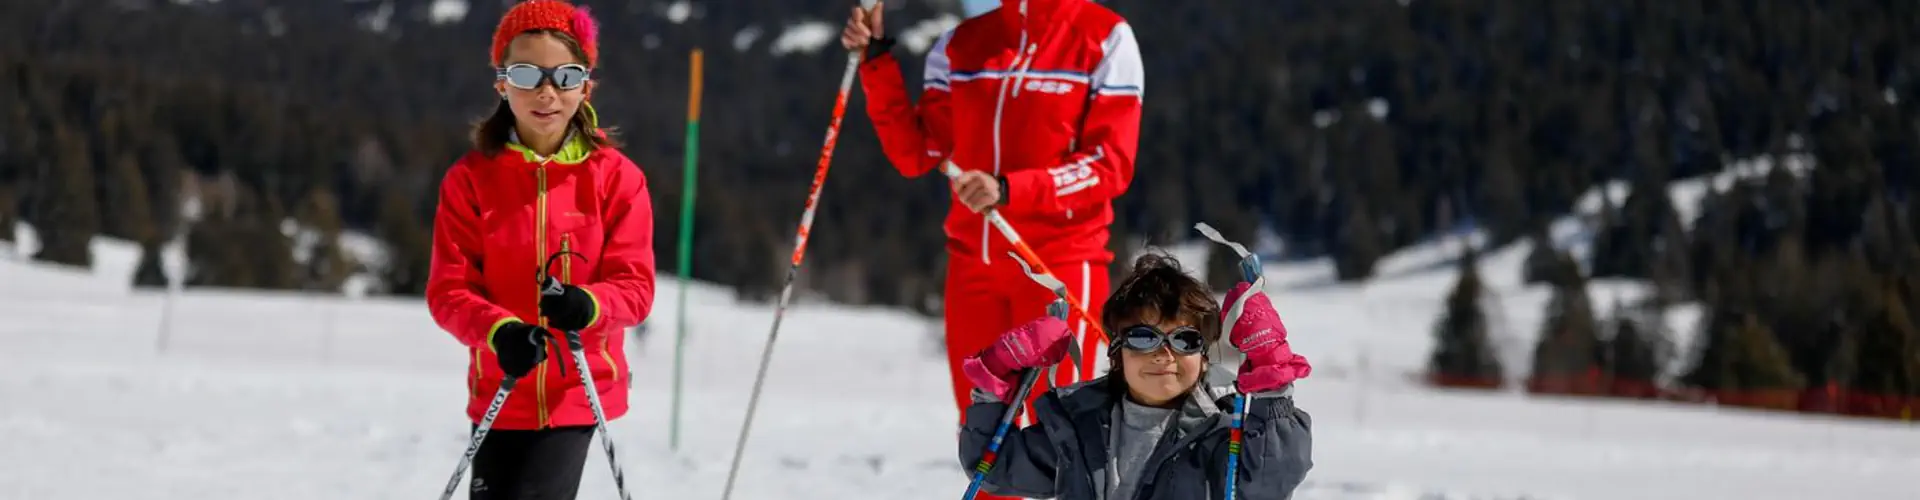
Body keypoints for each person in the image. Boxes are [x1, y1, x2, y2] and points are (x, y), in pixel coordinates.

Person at [839, 0, 1147, 432]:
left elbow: (1108, 165)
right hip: (973, 270)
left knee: (1061, 434)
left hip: (1054, 268)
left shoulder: (1105, 38)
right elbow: (917, 152)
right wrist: (875, 60)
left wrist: (1009, 189)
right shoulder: (960, 45)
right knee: (983, 435)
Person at [425, 1, 657, 498]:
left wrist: (588, 304)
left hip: (577, 386)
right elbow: (449, 291)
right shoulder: (471, 181)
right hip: (501, 384)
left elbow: (635, 289)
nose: (546, 92)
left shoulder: (618, 180)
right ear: (502, 83)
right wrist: (500, 330)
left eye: (565, 76)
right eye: (527, 73)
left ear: (585, 86)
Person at [957, 253, 1314, 499]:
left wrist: (1273, 383)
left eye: (1185, 339)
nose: (1164, 353)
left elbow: (1269, 483)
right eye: (1143, 338)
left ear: (1204, 357)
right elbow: (993, 467)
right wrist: (997, 377)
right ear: (1117, 353)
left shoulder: (1224, 430)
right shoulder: (1079, 426)